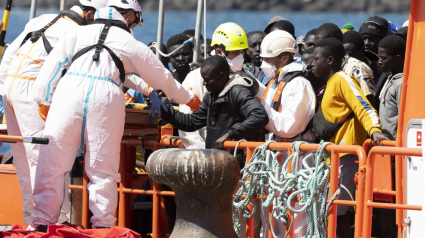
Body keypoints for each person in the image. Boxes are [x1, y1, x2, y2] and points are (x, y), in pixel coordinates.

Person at [30, 1, 202, 231]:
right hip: (107, 95)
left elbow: (52, 66)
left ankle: (41, 224)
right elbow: (162, 77)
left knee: (51, 161)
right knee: (103, 169)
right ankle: (102, 228)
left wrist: (43, 100)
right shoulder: (129, 43)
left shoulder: (77, 32)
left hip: (67, 92)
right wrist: (187, 98)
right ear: (129, 15)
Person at [0, 0, 109, 227]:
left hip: (10, 89)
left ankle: (32, 220)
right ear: (89, 14)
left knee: (23, 163)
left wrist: (4, 93)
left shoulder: (42, 19)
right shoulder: (79, 32)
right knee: (45, 161)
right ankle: (53, 224)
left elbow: (9, 55)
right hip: (34, 92)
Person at [311, 38, 390, 238]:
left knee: (337, 214)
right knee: (336, 214)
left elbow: (362, 106)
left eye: (315, 58)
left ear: (329, 60)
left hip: (345, 157)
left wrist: (375, 130)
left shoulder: (342, 79)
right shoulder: (329, 83)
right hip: (333, 158)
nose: (311, 63)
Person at [258, 30, 316, 237]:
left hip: (296, 157)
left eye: (268, 59)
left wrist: (258, 102)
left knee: (296, 211)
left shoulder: (298, 84)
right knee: (273, 209)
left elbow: (290, 126)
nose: (264, 64)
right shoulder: (275, 81)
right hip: (277, 156)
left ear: (283, 57)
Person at [154, 55, 268, 150]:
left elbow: (260, 115)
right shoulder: (212, 95)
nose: (204, 84)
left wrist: (231, 134)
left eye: (208, 80)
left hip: (237, 162)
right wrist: (163, 109)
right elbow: (192, 122)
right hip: (218, 160)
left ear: (222, 76)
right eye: (203, 79)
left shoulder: (238, 92)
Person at [315, 23, 375, 108]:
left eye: (322, 45)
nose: (316, 50)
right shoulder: (320, 67)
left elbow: (369, 106)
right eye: (315, 45)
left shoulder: (358, 69)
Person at [378, 35, 406, 140]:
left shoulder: (401, 83)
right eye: (379, 57)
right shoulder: (391, 78)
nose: (379, 61)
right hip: (387, 146)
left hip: (395, 146)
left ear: (397, 58)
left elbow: (403, 118)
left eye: (383, 58)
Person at [342, 30, 376, 107]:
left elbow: (369, 102)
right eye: (344, 55)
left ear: (362, 50)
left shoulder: (361, 69)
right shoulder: (341, 65)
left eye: (350, 55)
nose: (347, 59)